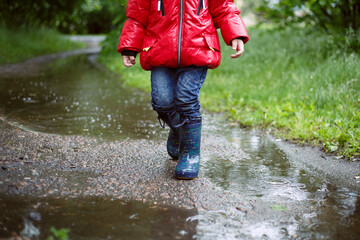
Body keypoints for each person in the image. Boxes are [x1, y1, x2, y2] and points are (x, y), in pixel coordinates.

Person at [118, 0, 249, 180]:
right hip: (159, 49)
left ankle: (190, 153)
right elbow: (137, 16)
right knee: (161, 101)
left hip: (198, 49)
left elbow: (224, 8)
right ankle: (179, 131)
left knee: (186, 99)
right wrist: (129, 46)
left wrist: (236, 34)